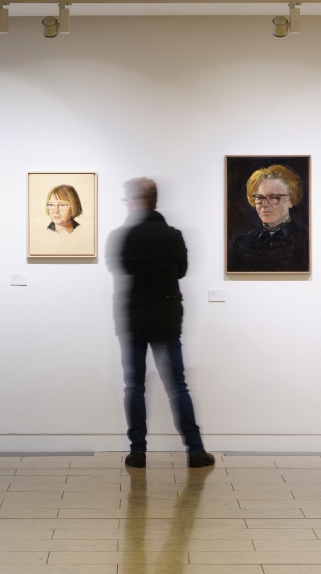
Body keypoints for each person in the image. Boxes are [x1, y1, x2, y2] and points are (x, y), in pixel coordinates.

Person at [106, 177, 214, 469]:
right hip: (166, 316)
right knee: (177, 386)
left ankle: (138, 452)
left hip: (134, 318)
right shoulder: (173, 235)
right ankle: (195, 450)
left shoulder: (123, 236)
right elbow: (181, 270)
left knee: (134, 387)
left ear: (136, 201)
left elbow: (119, 267)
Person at [228, 165, 309, 272]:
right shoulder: (241, 243)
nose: (264, 204)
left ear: (290, 200)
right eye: (259, 197)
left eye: (273, 197)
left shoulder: (306, 242)